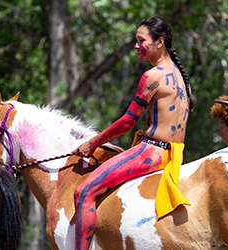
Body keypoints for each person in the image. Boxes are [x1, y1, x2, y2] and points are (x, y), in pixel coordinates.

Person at [74, 16, 193, 250]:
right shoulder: (182, 78)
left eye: (141, 40)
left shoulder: (152, 76)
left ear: (160, 42)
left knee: (84, 191)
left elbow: (128, 122)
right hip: (174, 155)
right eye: (135, 40)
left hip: (152, 153)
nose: (136, 46)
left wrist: (93, 143)